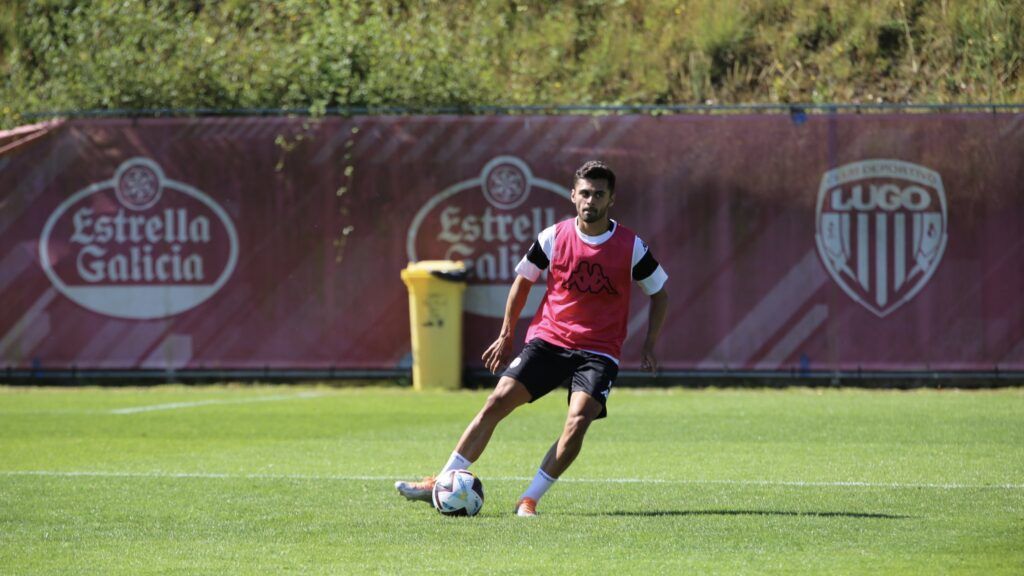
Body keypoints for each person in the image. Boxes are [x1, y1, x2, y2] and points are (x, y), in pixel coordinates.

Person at [395, 160, 669, 516]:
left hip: (598, 351)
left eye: (599, 194)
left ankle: (529, 499)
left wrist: (649, 342)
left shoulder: (631, 246)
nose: (591, 200)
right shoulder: (553, 236)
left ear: (611, 199)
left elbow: (659, 291)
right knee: (497, 402)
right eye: (585, 193)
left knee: (578, 420)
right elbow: (523, 282)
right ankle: (444, 479)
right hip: (550, 340)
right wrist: (507, 332)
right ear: (573, 195)